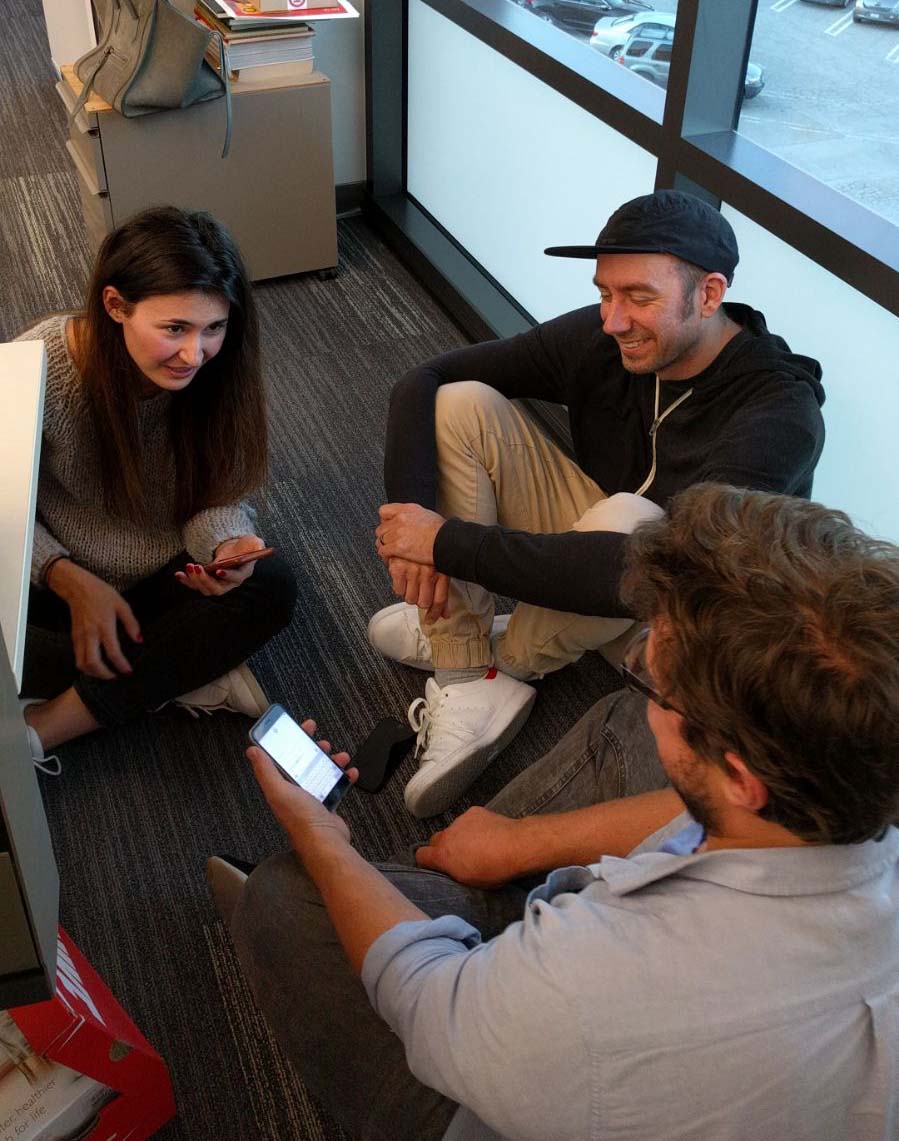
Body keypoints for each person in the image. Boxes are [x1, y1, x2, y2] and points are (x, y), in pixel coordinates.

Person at [209, 483, 899, 1141]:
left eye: (656, 683)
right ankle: (432, 886)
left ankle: (386, 897)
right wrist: (521, 841)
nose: (644, 680)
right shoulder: (845, 785)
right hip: (615, 990)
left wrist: (322, 836)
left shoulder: (607, 987)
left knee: (282, 897)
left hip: (515, 1042)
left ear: (742, 777)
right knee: (627, 728)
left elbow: (427, 1000)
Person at [368, 189, 826, 817]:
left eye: (638, 297)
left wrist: (441, 543)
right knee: (460, 404)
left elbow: (654, 567)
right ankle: (466, 661)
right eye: (606, 293)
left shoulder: (779, 412)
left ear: (709, 294)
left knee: (634, 522)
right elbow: (423, 379)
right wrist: (411, 529)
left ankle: (505, 662)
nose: (613, 319)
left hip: (679, 624)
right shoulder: (603, 338)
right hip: (601, 557)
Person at [18, 206, 296, 771]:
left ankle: (47, 725)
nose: (195, 354)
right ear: (115, 306)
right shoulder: (40, 365)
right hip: (54, 574)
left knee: (271, 586)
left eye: (214, 328)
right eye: (175, 329)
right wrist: (65, 577)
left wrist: (226, 545)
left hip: (162, 573)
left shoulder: (217, 369)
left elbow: (217, 493)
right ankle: (180, 673)